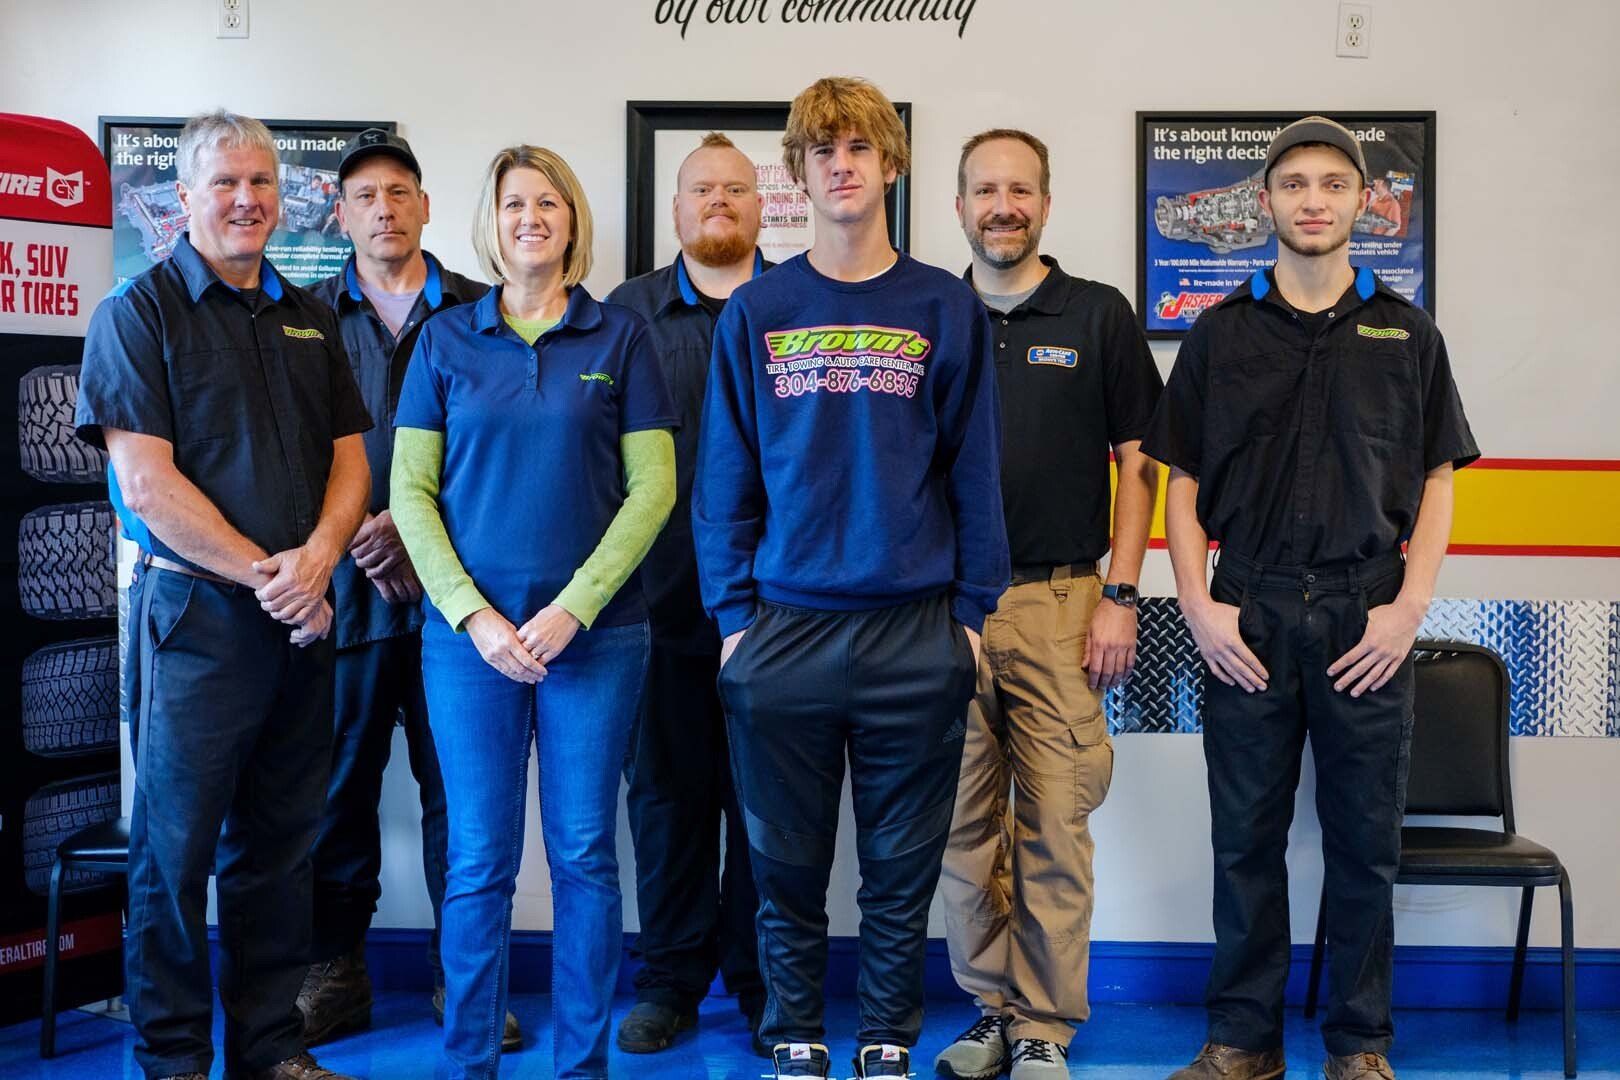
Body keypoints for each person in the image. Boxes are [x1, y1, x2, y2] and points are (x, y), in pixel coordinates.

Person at [1141, 116, 1479, 1080]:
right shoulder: (1219, 332)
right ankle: (1241, 1041)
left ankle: (1359, 1046)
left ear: (1364, 201)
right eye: (1295, 184)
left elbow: (1441, 477)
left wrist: (1409, 606)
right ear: (1267, 202)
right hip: (1245, 612)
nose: (1314, 200)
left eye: (1334, 183)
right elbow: (1184, 481)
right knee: (1243, 838)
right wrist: (1199, 609)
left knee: (1364, 845)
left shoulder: (1408, 334)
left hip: (1365, 612)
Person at [694, 76, 1010, 1080]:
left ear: (889, 165)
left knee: (900, 866)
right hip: (781, 630)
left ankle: (884, 1036)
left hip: (914, 630)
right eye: (822, 150)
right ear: (799, 172)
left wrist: (969, 617)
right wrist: (735, 619)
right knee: (784, 864)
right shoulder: (758, 309)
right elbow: (724, 479)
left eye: (859, 148)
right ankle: (794, 1030)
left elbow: (975, 469)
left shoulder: (942, 305)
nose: (841, 164)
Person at [75, 109, 372, 1080]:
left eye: (262, 183)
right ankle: (171, 1060)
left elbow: (350, 463)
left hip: (297, 623)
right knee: (175, 854)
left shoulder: (308, 314)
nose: (247, 200)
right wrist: (273, 577)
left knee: (280, 849)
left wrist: (320, 559)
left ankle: (269, 1051)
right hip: (194, 625)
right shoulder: (139, 312)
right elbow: (148, 486)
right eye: (226, 184)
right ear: (185, 198)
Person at [390, 144, 677, 1080]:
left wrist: (574, 610)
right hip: (468, 646)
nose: (531, 218)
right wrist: (474, 616)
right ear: (492, 219)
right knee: (477, 861)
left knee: (587, 856)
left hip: (595, 643)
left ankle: (580, 1065)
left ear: (571, 219)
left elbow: (653, 491)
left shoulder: (621, 339)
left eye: (548, 202)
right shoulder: (443, 342)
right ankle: (469, 1060)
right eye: (515, 203)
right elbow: (410, 497)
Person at [933, 128, 1163, 1080]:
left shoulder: (1098, 315)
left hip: (1065, 601)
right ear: (960, 206)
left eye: (1020, 189)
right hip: (946, 612)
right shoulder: (930, 313)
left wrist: (1121, 595)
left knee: (1056, 823)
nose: (1003, 206)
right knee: (960, 829)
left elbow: (1140, 465)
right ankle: (989, 1012)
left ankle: (1045, 1026)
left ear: (1046, 203)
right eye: (986, 189)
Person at [301, 129, 521, 1052]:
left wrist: (416, 531)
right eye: (364, 196)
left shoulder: (484, 314)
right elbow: (289, 452)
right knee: (337, 793)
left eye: (399, 191)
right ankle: (335, 971)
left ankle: (459, 979)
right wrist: (357, 530)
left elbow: (508, 451)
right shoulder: (300, 320)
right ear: (341, 214)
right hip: (343, 600)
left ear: (428, 206)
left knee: (460, 797)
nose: (383, 209)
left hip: (457, 601)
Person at [606, 131, 770, 1056]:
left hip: (778, 609)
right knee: (664, 798)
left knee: (764, 804)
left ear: (761, 208)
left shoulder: (797, 306)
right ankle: (669, 980)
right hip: (655, 606)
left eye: (736, 190)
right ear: (674, 211)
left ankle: (759, 984)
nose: (719, 202)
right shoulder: (624, 317)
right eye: (701, 190)